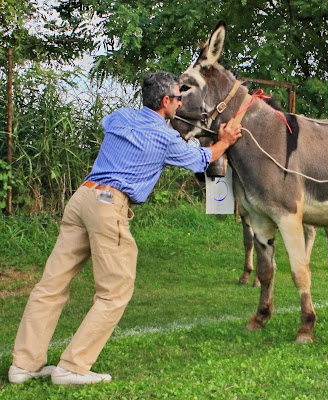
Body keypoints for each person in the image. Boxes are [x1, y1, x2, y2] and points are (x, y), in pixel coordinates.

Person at [8, 71, 242, 385]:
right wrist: (225, 140)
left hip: (81, 198)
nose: (180, 101)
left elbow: (117, 127)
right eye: (177, 96)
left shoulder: (118, 118)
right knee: (114, 292)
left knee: (51, 285)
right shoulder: (164, 137)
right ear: (165, 102)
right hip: (108, 206)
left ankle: (24, 365)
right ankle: (72, 367)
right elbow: (201, 159)